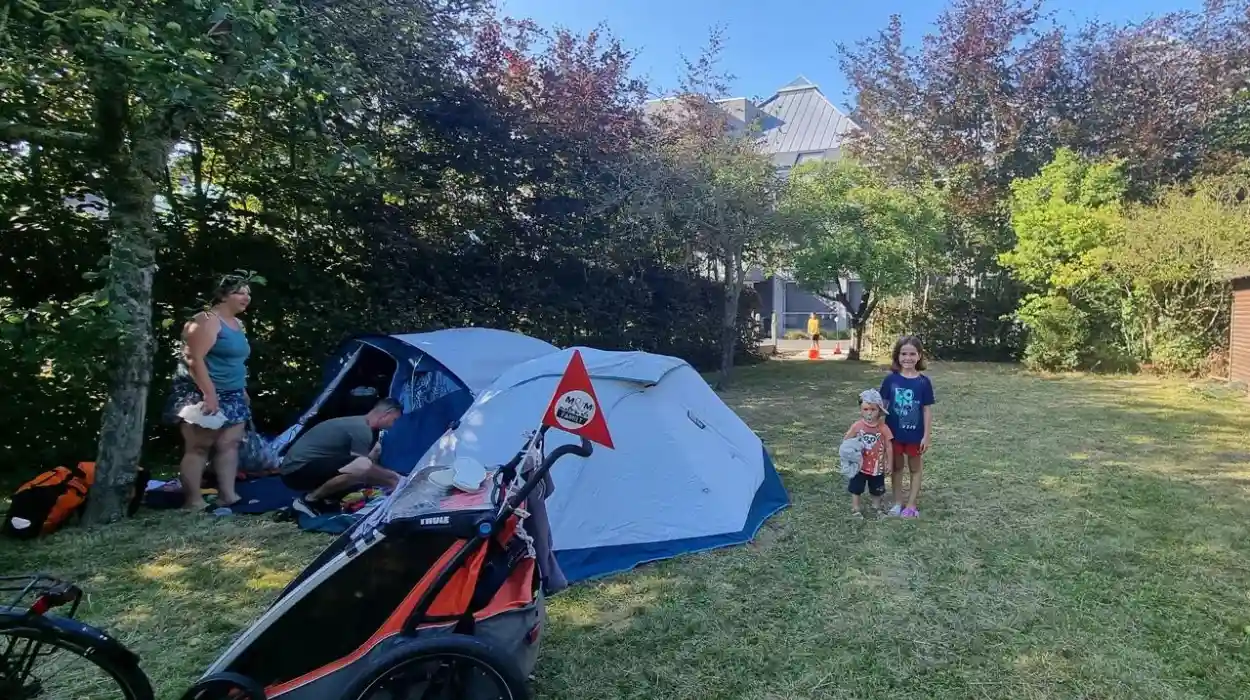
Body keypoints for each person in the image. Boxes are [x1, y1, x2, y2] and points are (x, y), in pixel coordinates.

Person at [163, 275, 254, 510]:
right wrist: (209, 394)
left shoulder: (237, 324)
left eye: (248, 293)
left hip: (232, 392)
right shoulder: (206, 320)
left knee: (230, 443)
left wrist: (242, 389)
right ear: (223, 295)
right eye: (240, 292)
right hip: (201, 391)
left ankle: (228, 495)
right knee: (199, 446)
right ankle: (193, 501)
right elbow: (193, 358)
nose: (246, 297)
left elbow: (235, 361)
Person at [280, 399, 404, 517]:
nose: (393, 425)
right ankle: (309, 500)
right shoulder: (362, 429)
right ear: (385, 414)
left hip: (299, 468)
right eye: (394, 420)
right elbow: (363, 467)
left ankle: (326, 498)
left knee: (365, 465)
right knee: (360, 469)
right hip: (295, 471)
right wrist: (394, 480)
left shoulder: (360, 424)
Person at [880, 335, 936, 518]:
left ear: (919, 356)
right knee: (896, 468)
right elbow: (882, 407)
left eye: (912, 354)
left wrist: (926, 436)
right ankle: (897, 503)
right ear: (897, 356)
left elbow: (926, 410)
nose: (908, 358)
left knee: (915, 469)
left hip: (915, 436)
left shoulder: (923, 382)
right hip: (894, 435)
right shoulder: (891, 381)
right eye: (904, 353)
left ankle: (911, 505)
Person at [843, 389, 893, 519]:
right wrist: (849, 452)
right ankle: (856, 508)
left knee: (877, 489)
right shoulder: (857, 426)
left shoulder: (883, 428)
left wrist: (889, 462)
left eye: (873, 409)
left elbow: (889, 445)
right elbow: (846, 440)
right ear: (861, 410)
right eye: (865, 409)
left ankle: (876, 508)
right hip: (859, 465)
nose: (869, 412)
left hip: (877, 466)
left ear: (879, 410)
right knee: (856, 488)